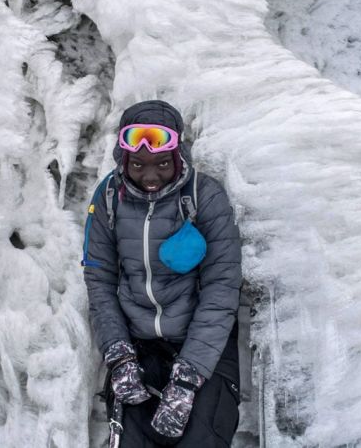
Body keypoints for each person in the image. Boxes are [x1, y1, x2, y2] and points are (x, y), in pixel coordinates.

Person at [82, 100, 242, 447]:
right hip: (138, 345)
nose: (150, 176)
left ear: (178, 155)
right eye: (138, 164)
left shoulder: (205, 197)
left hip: (202, 345)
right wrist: (119, 354)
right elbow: (99, 278)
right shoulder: (109, 197)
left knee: (203, 439)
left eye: (162, 164)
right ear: (123, 158)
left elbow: (222, 288)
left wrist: (189, 377)